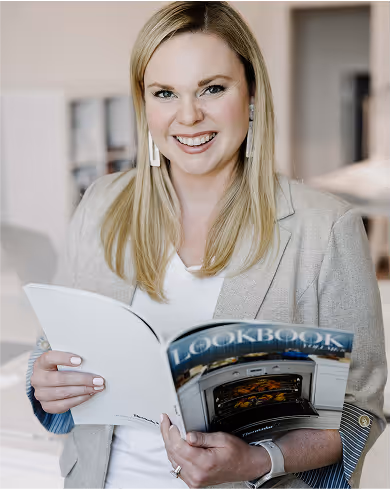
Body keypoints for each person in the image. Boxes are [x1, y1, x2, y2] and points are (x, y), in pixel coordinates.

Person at [26, 2, 387, 489]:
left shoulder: (324, 229)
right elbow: (53, 346)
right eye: (165, 93)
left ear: (252, 93)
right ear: (144, 104)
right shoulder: (102, 203)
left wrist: (258, 460)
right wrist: (44, 380)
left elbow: (356, 412)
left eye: (212, 89)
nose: (189, 116)